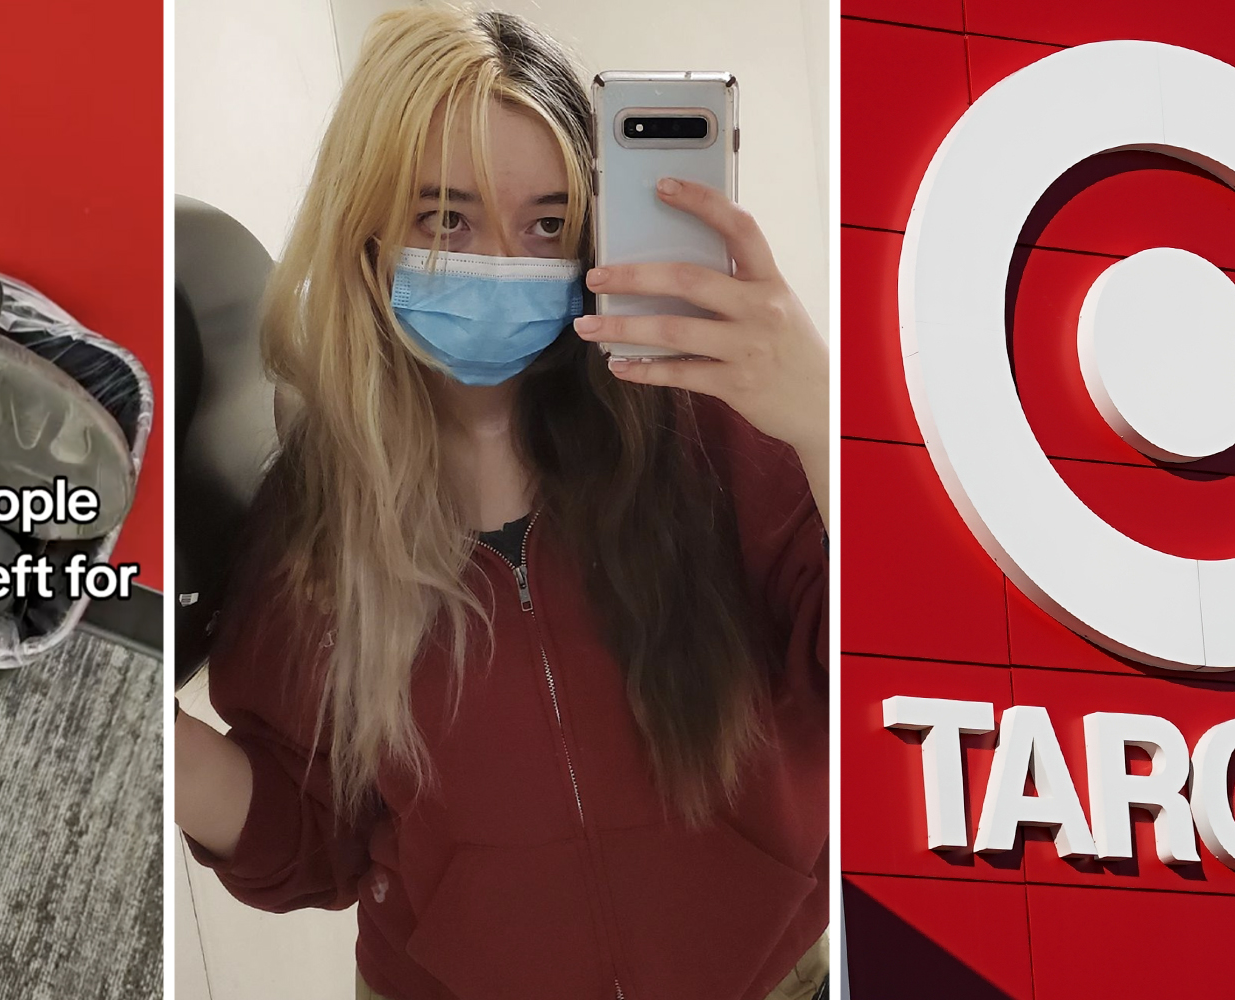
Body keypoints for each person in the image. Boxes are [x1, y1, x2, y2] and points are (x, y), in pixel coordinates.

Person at [174, 7, 829, 999]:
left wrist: (825, 425)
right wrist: (137, 723)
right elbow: (312, 835)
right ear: (366, 226)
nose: (504, 264)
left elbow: (871, 680)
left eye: (544, 225)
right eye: (445, 215)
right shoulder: (311, 524)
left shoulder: (713, 434)